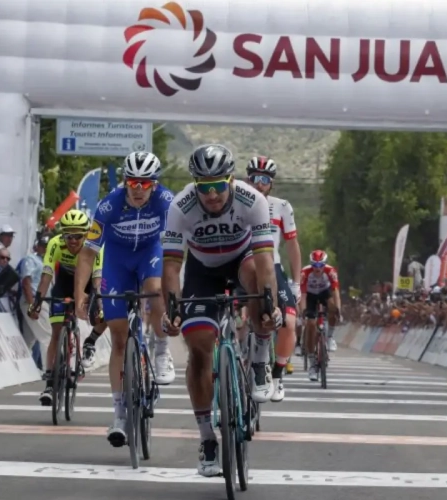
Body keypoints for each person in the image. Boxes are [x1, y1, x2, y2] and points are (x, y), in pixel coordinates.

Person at [160, 144, 282, 477]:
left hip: (242, 260)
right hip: (202, 270)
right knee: (199, 352)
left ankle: (258, 362)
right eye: (204, 187)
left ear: (231, 180)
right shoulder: (180, 206)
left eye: (218, 185)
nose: (212, 195)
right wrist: (171, 310)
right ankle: (207, 440)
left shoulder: (252, 200)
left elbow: (265, 262)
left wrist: (269, 304)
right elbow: (171, 266)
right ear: (195, 185)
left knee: (259, 287)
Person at [73, 151, 176, 448]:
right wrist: (82, 293)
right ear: (125, 181)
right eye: (133, 181)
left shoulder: (166, 202)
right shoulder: (109, 205)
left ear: (155, 184)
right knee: (119, 339)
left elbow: (177, 244)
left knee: (155, 288)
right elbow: (88, 253)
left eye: (146, 183)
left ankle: (161, 350)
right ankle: (119, 414)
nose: (138, 188)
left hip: (150, 253)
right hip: (117, 261)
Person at [29, 210, 108, 404]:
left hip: (89, 281)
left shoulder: (94, 246)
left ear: (86, 234)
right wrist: (37, 302)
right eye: (68, 235)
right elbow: (46, 276)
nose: (72, 240)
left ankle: (90, 340)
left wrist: (98, 304)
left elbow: (97, 279)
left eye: (78, 236)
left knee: (104, 313)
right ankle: (49, 384)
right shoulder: (55, 244)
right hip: (64, 283)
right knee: (56, 333)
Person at [245, 156, 301, 401]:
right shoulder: (235, 203)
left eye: (264, 180)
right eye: (255, 179)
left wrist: (297, 283)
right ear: (248, 180)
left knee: (288, 322)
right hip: (240, 266)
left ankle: (277, 373)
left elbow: (292, 246)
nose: (259, 184)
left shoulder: (282, 206)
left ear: (271, 184)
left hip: (272, 266)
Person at [299, 250, 340, 381]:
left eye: (320, 265)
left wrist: (338, 309)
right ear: (311, 265)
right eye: (314, 265)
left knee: (334, 308)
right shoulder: (305, 273)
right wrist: (303, 312)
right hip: (310, 295)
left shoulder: (331, 272)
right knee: (311, 324)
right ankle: (312, 363)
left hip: (324, 292)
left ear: (325, 264)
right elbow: (303, 296)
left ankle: (330, 337)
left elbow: (335, 291)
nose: (317, 269)